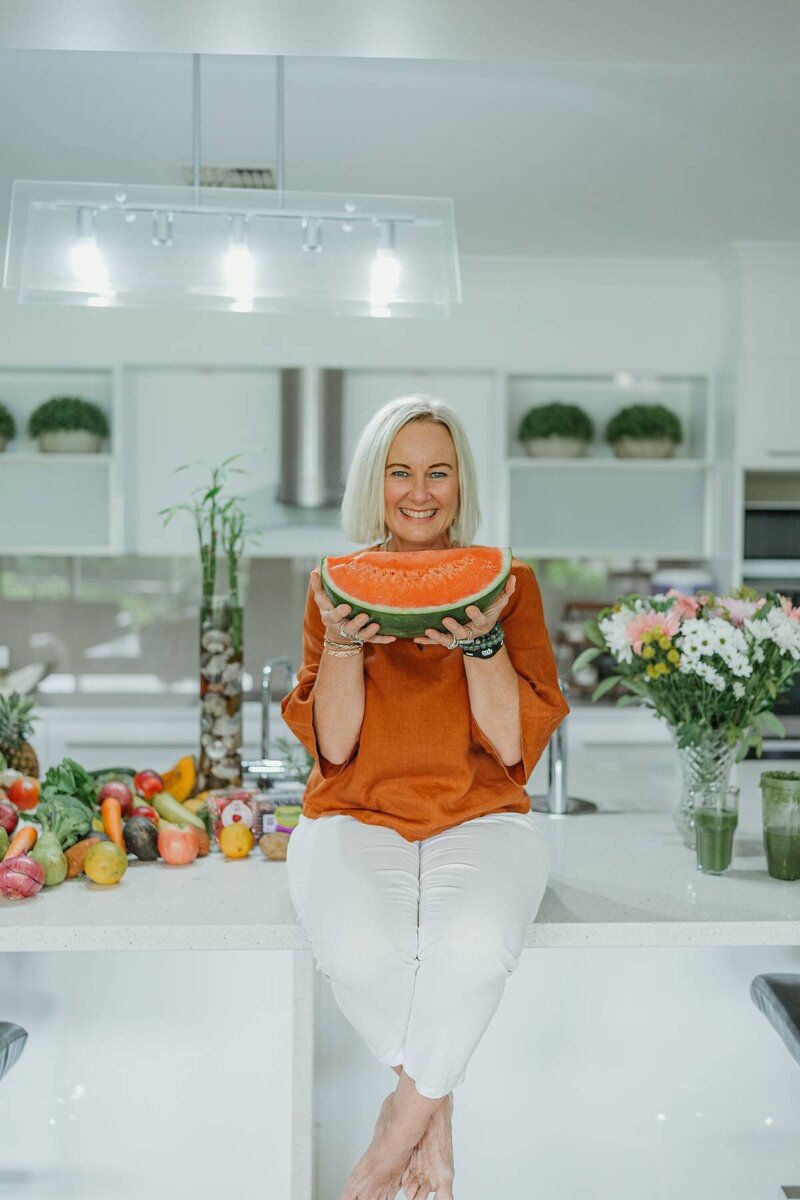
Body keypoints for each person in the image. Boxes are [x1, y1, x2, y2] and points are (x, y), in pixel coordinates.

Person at [281, 394, 570, 1200]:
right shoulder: (333, 588)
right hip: (352, 812)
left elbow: (513, 747)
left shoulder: (511, 586)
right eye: (399, 472)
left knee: (476, 951)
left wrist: (482, 642)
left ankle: (387, 1140)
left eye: (438, 472)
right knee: (362, 955)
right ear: (374, 485)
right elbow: (334, 747)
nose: (419, 491)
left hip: (480, 814)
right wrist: (343, 642)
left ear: (459, 482)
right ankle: (431, 1121)